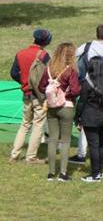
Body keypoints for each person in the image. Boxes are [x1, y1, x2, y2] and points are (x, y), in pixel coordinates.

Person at [71, 24, 103, 164]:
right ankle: (102, 153)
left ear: (97, 34)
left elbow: (73, 55)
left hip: (89, 85)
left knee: (87, 118)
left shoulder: (88, 46)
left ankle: (81, 154)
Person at [38, 42, 80, 181]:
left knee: (52, 139)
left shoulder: (49, 68)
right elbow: (75, 90)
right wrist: (67, 94)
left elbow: (41, 86)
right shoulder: (70, 70)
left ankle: (51, 173)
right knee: (66, 140)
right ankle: (63, 173)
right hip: (66, 107)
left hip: (51, 107)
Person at [9, 28, 51, 164]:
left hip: (26, 94)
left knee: (25, 124)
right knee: (38, 125)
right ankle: (31, 158)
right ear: (46, 41)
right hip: (39, 96)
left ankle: (14, 155)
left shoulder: (20, 53)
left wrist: (24, 81)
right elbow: (48, 75)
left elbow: (14, 73)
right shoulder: (44, 55)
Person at [76, 56, 103, 183]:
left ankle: (95, 174)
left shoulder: (87, 83)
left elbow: (81, 102)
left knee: (94, 146)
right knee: (100, 144)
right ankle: (99, 171)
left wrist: (77, 117)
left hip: (91, 119)